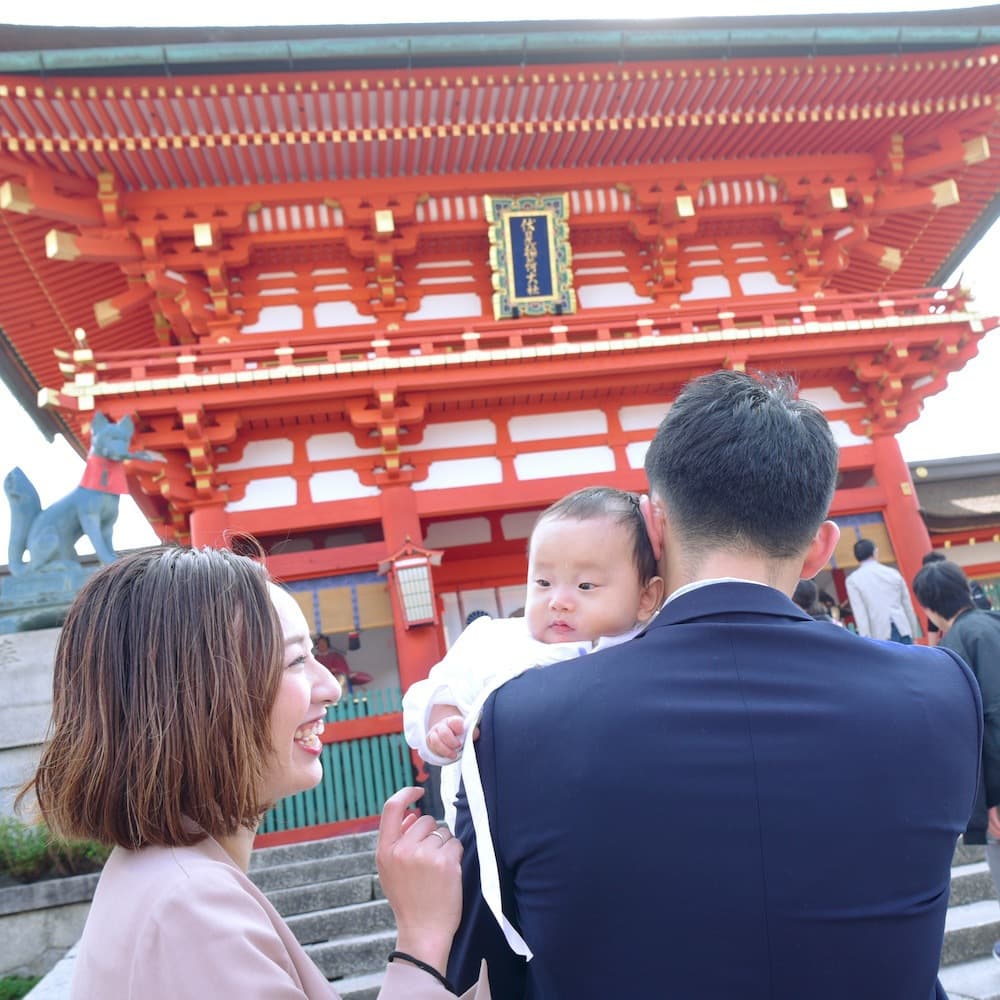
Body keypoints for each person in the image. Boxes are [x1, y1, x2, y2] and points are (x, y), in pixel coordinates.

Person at [448, 369, 981, 999]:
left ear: (652, 525)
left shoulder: (515, 720)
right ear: (820, 550)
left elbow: (481, 959)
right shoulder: (939, 691)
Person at [17, 546, 489, 1000]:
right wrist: (422, 939)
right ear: (196, 699)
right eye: (296, 660)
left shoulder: (164, 878)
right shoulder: (191, 907)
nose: (330, 687)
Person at [403, 486, 664, 832]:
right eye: (543, 582)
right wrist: (444, 722)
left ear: (646, 597)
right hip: (495, 833)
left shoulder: (642, 649)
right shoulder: (495, 641)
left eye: (585, 586)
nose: (559, 600)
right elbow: (437, 689)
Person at [913, 558, 1000, 961]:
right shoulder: (992, 623)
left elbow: (990, 719)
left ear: (929, 607)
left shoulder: (958, 644)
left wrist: (994, 797)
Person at [845, 537, 921, 642]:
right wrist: (914, 633)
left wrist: (866, 639)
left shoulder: (853, 580)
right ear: (875, 552)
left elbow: (860, 613)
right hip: (903, 628)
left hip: (879, 634)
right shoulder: (893, 573)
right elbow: (907, 605)